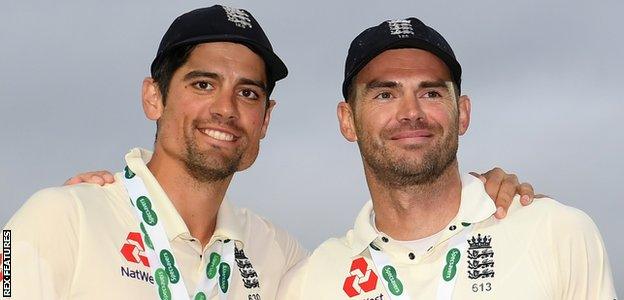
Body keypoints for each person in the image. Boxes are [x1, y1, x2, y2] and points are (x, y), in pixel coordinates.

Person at [3, 6, 535, 300]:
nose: (227, 109)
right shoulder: (61, 218)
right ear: (154, 97)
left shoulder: (279, 259)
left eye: (249, 93)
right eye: (204, 84)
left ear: (266, 120)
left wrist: (484, 195)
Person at [276, 17, 617, 299]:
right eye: (385, 94)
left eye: (431, 92)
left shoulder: (557, 233)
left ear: (463, 113)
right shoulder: (310, 283)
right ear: (347, 120)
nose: (411, 112)